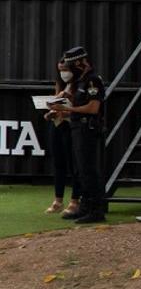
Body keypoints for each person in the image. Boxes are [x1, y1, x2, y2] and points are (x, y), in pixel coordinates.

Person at [49, 46, 106, 223]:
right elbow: (77, 107)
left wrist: (68, 108)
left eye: (71, 65)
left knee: (89, 170)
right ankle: (85, 206)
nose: (68, 70)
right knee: (81, 170)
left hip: (87, 128)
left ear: (80, 63)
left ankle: (96, 210)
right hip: (77, 127)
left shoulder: (92, 81)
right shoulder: (79, 81)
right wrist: (60, 111)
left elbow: (93, 108)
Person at [43, 60, 82, 216]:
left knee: (74, 164)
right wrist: (50, 114)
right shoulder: (60, 85)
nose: (63, 73)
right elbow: (55, 105)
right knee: (58, 162)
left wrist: (65, 112)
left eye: (65, 69)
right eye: (60, 70)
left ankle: (75, 200)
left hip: (71, 126)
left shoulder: (80, 85)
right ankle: (58, 200)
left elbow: (79, 109)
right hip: (58, 124)